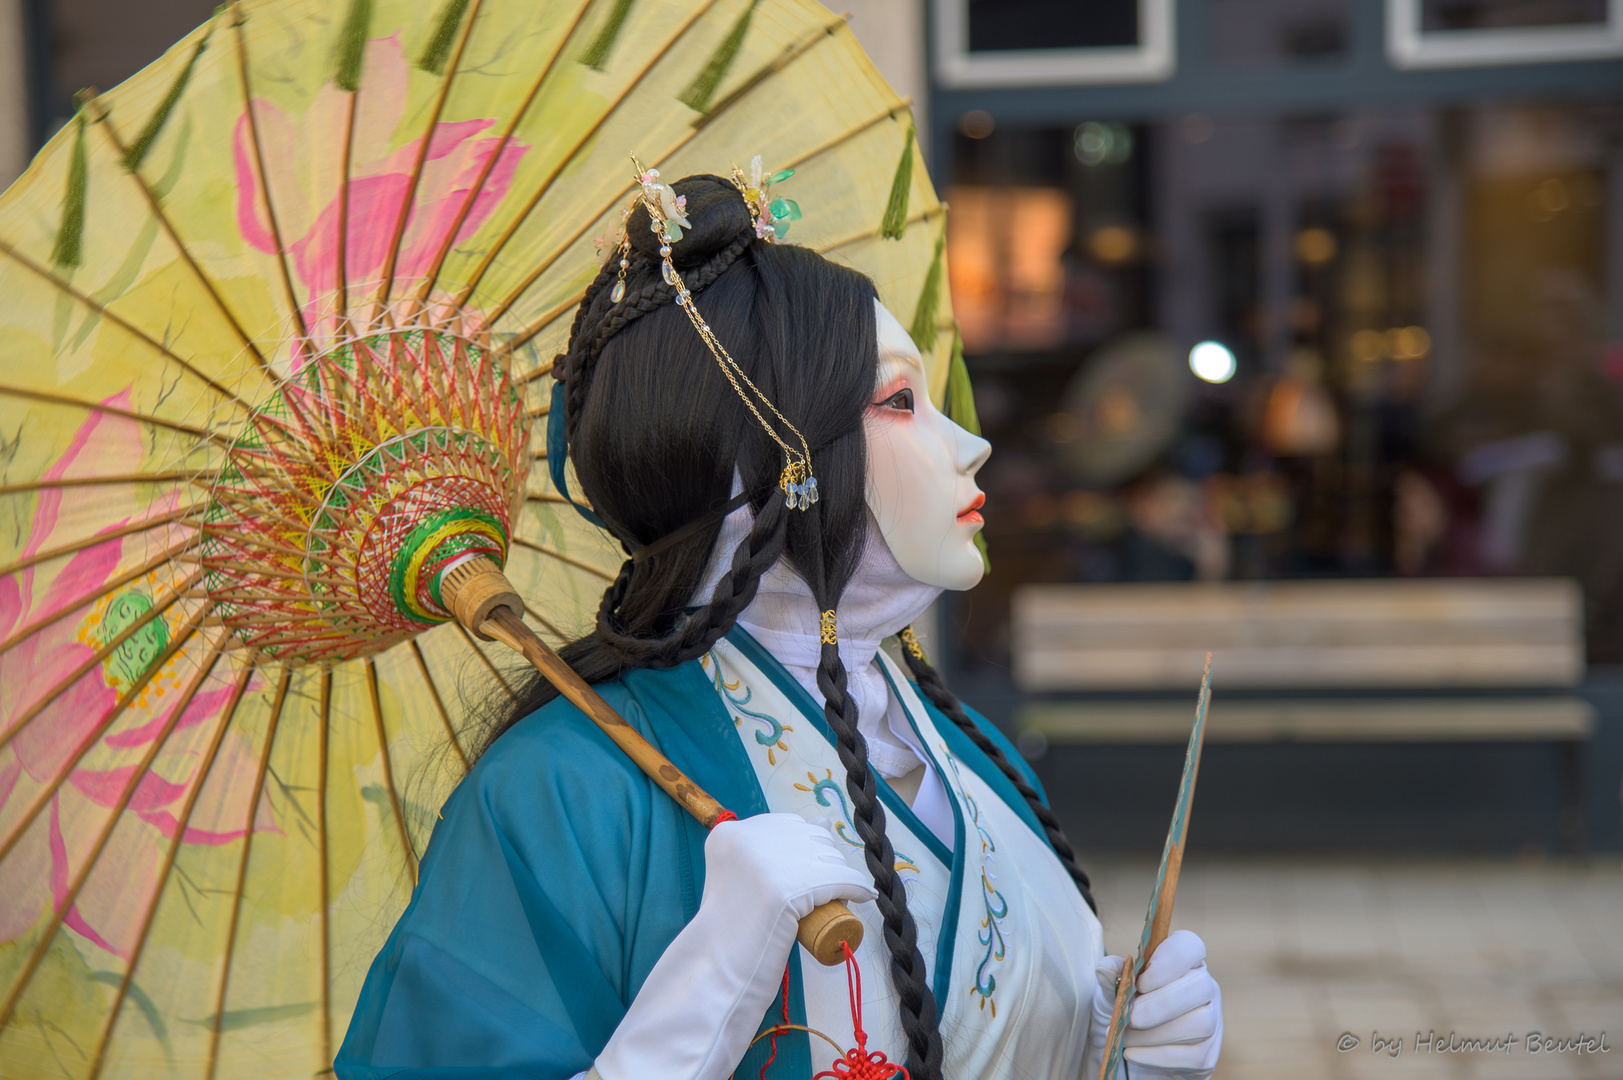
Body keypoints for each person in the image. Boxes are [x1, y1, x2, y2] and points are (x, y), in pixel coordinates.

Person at [334, 173, 1222, 1080]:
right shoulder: (564, 791)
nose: (972, 445)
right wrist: (700, 995)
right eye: (900, 402)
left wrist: (1108, 1049)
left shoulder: (968, 749)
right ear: (752, 471)